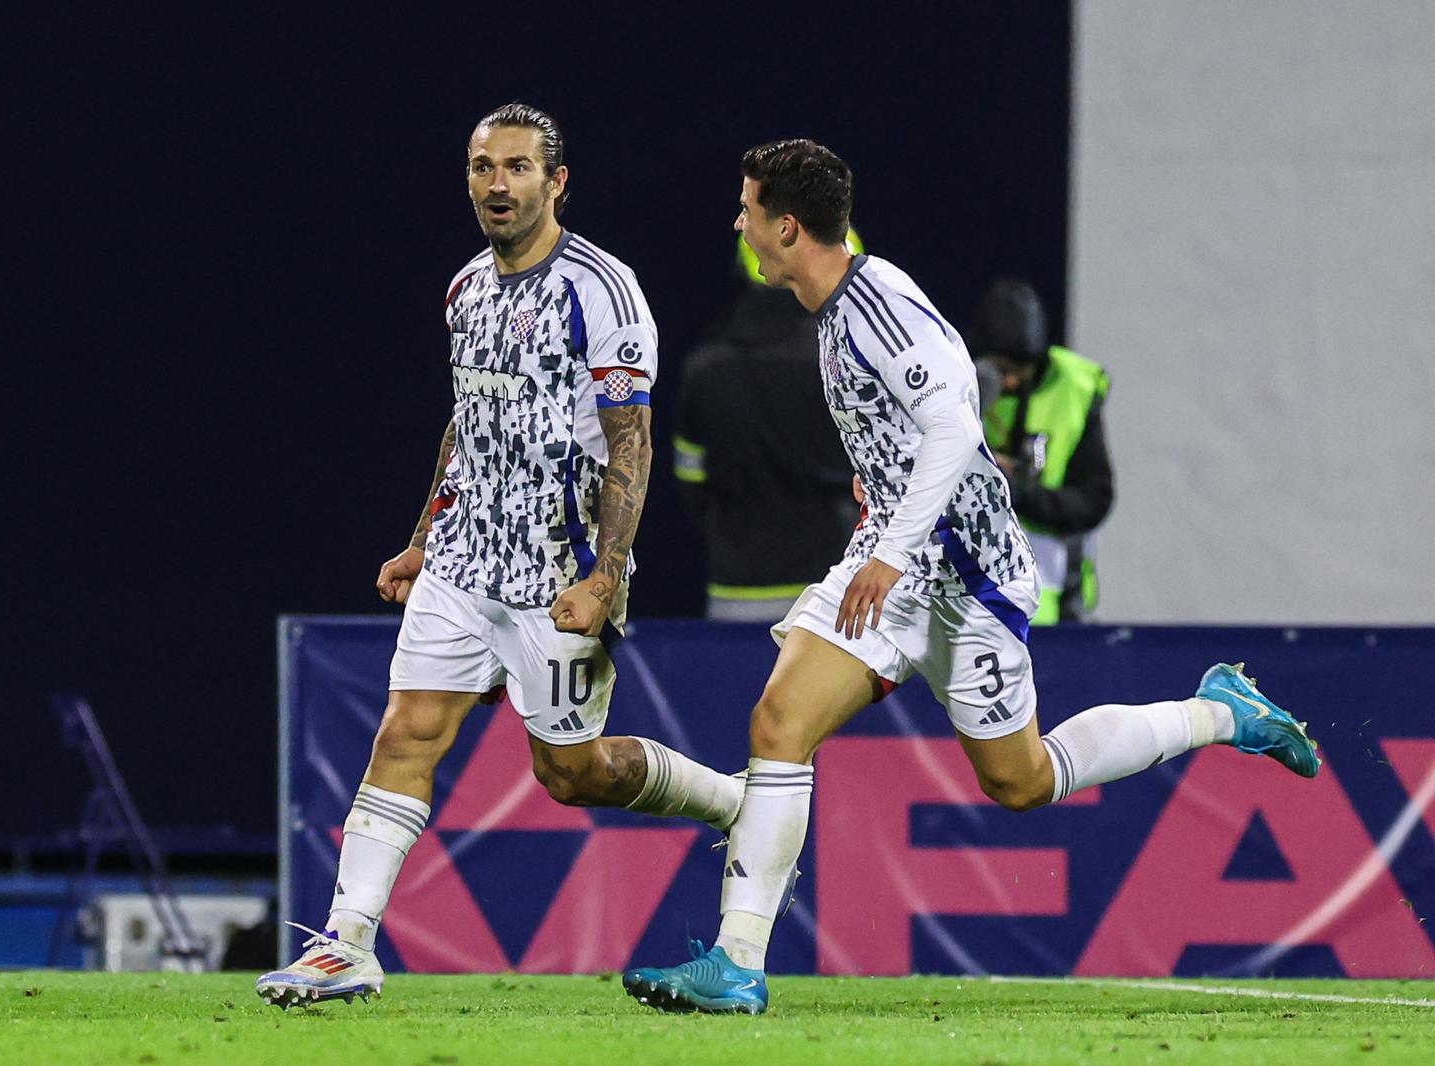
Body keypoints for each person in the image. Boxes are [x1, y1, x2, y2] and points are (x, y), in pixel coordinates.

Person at [621, 139, 1320, 1016]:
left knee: (1022, 781)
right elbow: (913, 435)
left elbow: (955, 430)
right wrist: (881, 511)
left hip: (969, 577)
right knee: (779, 720)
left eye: (748, 208)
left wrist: (889, 547)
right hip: (898, 562)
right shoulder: (832, 310)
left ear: (786, 226)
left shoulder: (879, 307)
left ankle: (1219, 711)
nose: (739, 222)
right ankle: (737, 963)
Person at [256, 104, 744, 1008]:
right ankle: (347, 943)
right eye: (482, 167)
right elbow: (468, 422)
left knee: (570, 773)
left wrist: (605, 576)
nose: (497, 185)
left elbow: (630, 441)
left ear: (556, 182)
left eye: (517, 168)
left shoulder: (603, 290)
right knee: (406, 732)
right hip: (465, 560)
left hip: (559, 573)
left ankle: (729, 803)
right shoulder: (464, 289)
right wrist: (420, 540)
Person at [672, 233, 864, 621]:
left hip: (738, 590)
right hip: (836, 593)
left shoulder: (706, 368)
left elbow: (690, 481)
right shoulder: (847, 365)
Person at [967, 279, 1113, 623]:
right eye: (1001, 371)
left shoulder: (1075, 390)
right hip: (965, 598)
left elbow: (1092, 502)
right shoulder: (952, 386)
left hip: (1049, 601)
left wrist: (1015, 489)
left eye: (1022, 371)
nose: (1012, 383)